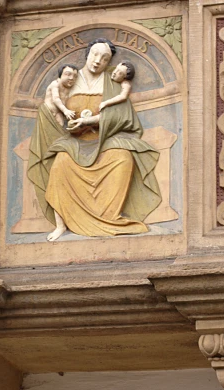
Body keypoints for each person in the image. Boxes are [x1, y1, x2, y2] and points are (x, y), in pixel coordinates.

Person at [27, 38, 161, 241]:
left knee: (123, 158)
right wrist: (65, 119)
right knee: (60, 162)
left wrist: (91, 120)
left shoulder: (112, 82)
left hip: (104, 138)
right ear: (87, 54)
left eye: (105, 58)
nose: (98, 61)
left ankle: (108, 217)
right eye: (95, 55)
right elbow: (55, 111)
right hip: (75, 141)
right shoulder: (69, 78)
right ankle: (61, 224)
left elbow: (123, 116)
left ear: (109, 63)